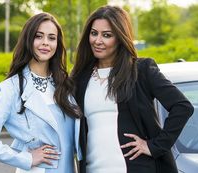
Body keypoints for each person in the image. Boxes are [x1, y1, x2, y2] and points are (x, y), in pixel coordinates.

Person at [71, 5, 194, 173]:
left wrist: (154, 146)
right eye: (94, 33)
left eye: (107, 35)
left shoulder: (141, 71)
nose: (97, 40)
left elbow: (182, 107)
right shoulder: (80, 78)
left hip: (138, 168)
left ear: (120, 38)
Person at [0, 12, 82, 173]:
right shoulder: (12, 89)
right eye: (39, 36)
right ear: (28, 40)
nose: (45, 43)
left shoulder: (65, 85)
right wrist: (26, 158)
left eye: (52, 38)